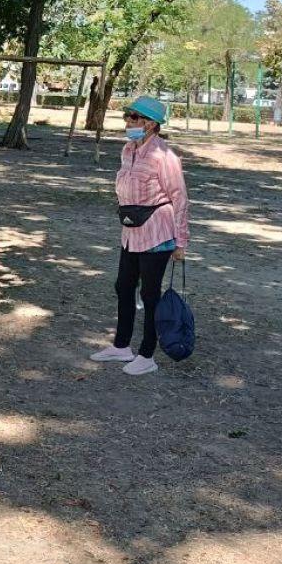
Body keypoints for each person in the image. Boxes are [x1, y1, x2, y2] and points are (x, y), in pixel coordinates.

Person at [90, 96, 190, 376]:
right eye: (128, 116)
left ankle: (147, 354)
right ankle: (122, 346)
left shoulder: (165, 156)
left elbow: (180, 198)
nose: (129, 121)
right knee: (123, 286)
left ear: (151, 123)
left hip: (157, 231)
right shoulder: (128, 149)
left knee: (149, 293)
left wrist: (181, 241)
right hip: (131, 231)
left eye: (135, 117)